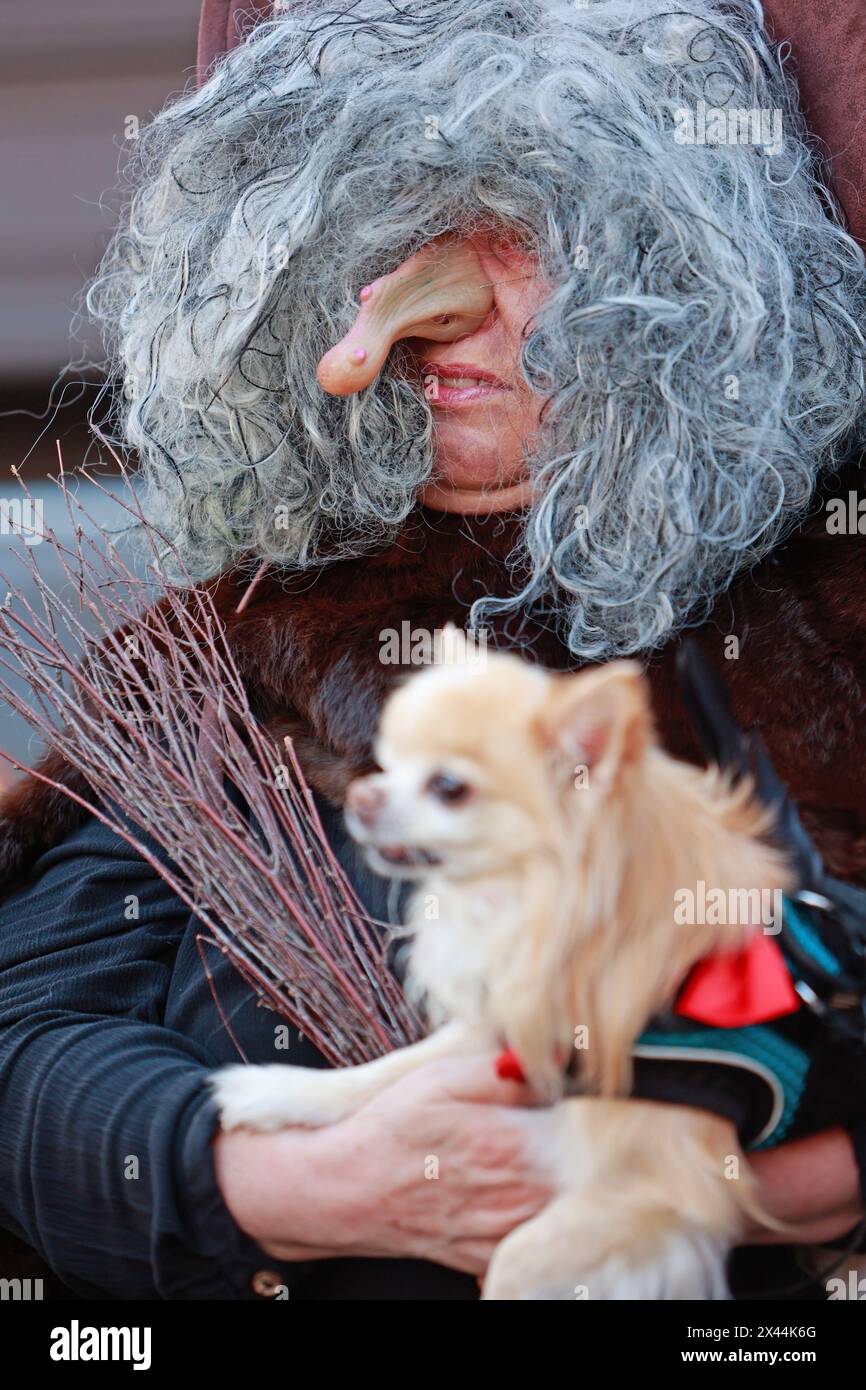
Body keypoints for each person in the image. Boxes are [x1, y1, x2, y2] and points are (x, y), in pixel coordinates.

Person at [1, 0, 865, 1300]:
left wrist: (728, 1185)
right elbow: (25, 1050)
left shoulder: (832, 634)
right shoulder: (219, 661)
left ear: (677, 258)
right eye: (381, 221)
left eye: (520, 226)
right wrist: (305, 1182)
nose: (432, 297)